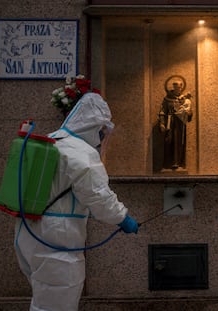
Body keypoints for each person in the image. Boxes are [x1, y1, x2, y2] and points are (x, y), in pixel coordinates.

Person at [14, 88, 139, 311]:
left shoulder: (52, 140)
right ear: (93, 126)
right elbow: (99, 196)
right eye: (101, 130)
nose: (102, 137)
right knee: (55, 305)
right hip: (57, 237)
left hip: (28, 231)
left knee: (44, 299)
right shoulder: (82, 153)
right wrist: (122, 218)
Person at [158, 80, 193, 170]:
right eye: (177, 87)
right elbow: (162, 111)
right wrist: (162, 123)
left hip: (180, 124)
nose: (179, 89)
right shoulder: (167, 99)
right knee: (168, 142)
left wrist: (189, 113)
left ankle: (178, 163)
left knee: (179, 143)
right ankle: (167, 164)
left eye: (180, 87)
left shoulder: (184, 100)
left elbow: (188, 111)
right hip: (170, 123)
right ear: (173, 87)